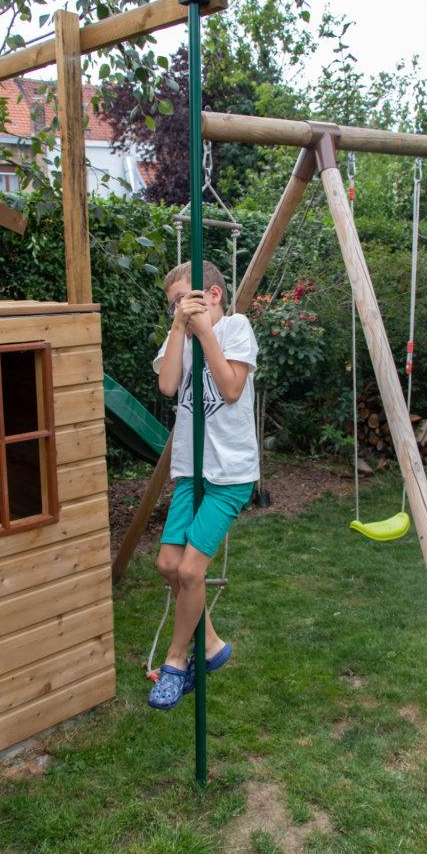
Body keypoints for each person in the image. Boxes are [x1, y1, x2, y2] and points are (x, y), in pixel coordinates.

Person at [148, 259, 259, 710]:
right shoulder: (179, 335)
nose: (180, 308)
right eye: (173, 303)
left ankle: (178, 661)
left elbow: (231, 388)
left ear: (212, 295)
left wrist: (205, 332)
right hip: (190, 471)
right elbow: (169, 386)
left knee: (192, 572)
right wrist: (179, 328)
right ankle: (211, 643)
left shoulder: (235, 327)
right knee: (168, 565)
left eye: (186, 299)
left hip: (229, 475)